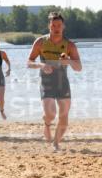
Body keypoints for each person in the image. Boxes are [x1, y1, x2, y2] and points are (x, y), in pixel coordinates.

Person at [27, 12, 82, 150]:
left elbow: (79, 67)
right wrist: (41, 65)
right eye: (53, 26)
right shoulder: (41, 42)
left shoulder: (69, 45)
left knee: (64, 117)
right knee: (51, 114)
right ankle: (47, 124)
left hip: (62, 83)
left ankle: (56, 143)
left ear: (63, 26)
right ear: (49, 26)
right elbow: (29, 62)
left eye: (59, 25)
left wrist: (69, 61)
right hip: (47, 83)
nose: (56, 28)